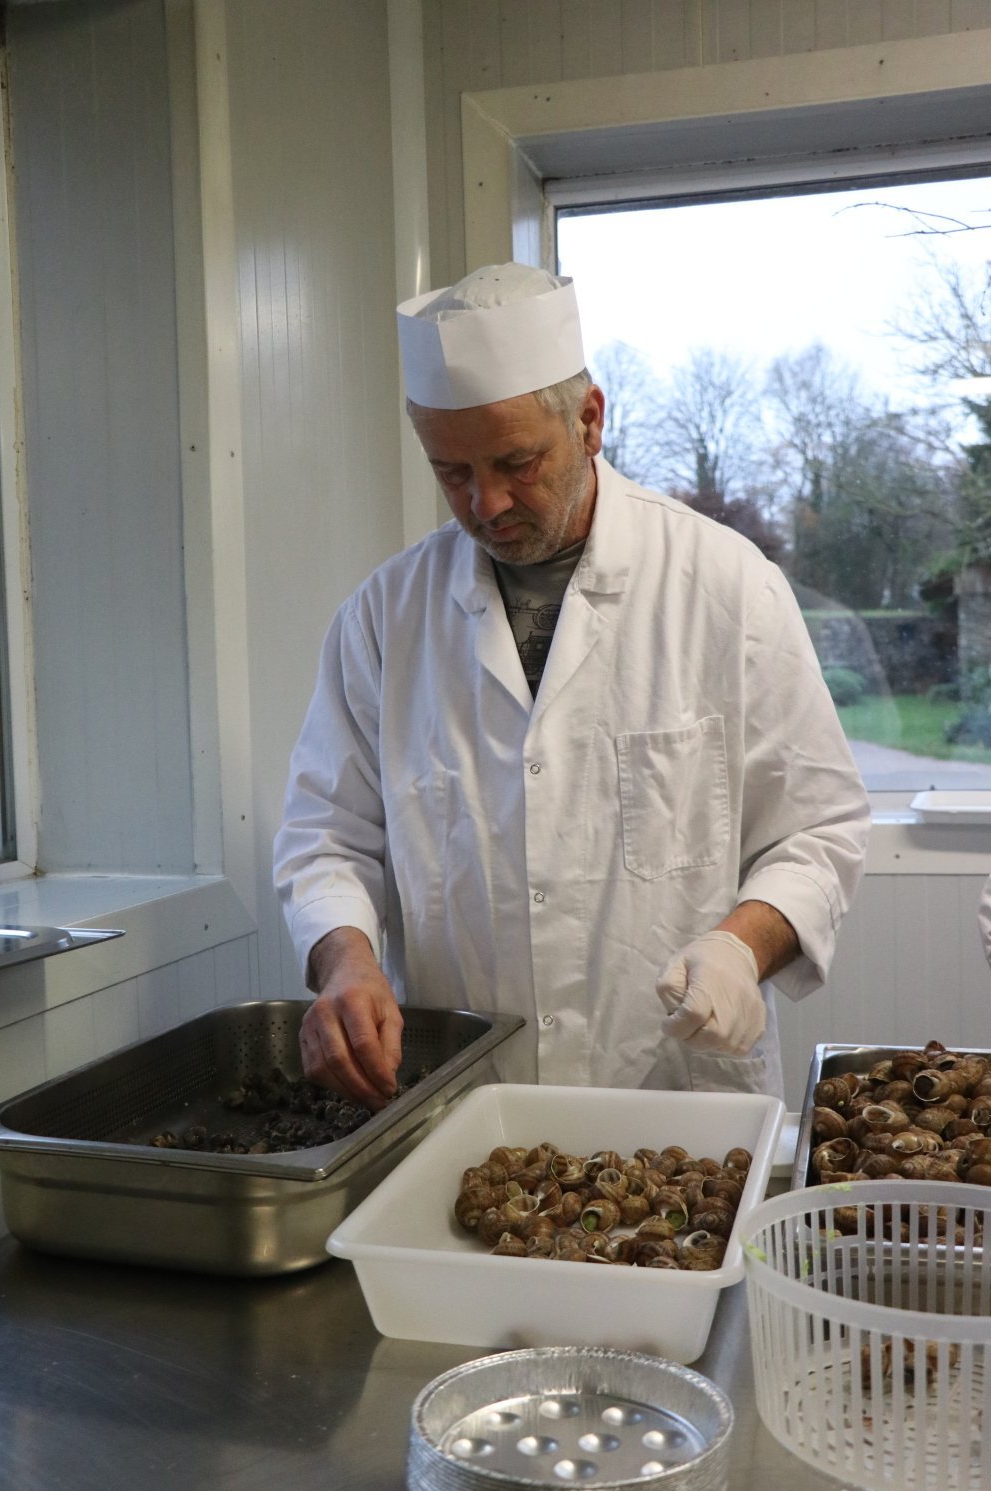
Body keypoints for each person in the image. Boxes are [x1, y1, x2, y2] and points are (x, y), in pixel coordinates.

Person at [273, 262, 870, 1109]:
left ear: (590, 420)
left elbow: (819, 830)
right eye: (452, 472)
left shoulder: (727, 588)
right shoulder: (383, 620)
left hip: (677, 1100)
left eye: (517, 461)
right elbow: (327, 837)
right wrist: (347, 959)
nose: (486, 502)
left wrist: (741, 949)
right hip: (466, 1102)